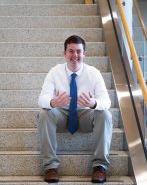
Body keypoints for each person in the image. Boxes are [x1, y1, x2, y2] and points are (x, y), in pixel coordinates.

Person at [37, 35, 113, 183]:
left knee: (105, 114)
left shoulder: (94, 73)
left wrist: (94, 104)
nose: (75, 55)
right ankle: (50, 167)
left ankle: (99, 167)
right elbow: (41, 99)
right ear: (64, 53)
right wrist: (53, 102)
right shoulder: (54, 72)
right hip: (61, 114)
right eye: (71, 51)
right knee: (44, 113)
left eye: (79, 51)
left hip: (85, 114)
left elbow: (106, 101)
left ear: (84, 53)